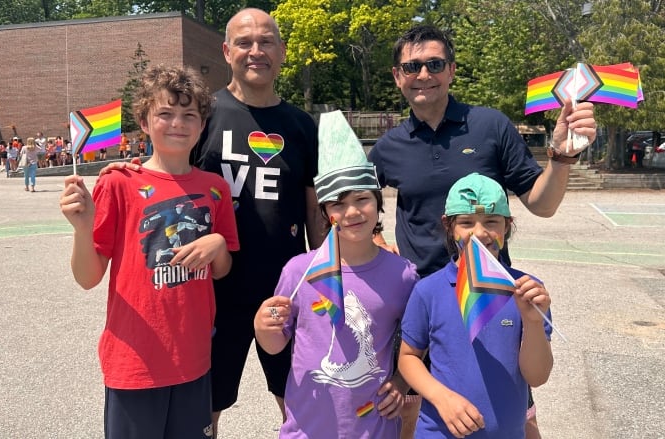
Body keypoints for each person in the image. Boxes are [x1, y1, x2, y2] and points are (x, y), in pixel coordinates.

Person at [98, 8, 324, 437]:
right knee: (205, 410)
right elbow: (170, 169)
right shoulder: (204, 115)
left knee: (297, 400)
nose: (256, 51)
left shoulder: (300, 125)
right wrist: (131, 172)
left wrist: (325, 269)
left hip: (284, 288)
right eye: (244, 42)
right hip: (214, 289)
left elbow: (313, 206)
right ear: (226, 50)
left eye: (266, 41)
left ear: (282, 50)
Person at [368, 25, 596, 438]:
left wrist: (561, 157)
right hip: (425, 295)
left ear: (451, 70)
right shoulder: (389, 147)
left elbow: (541, 204)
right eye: (412, 66)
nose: (423, 74)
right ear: (397, 76)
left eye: (434, 64)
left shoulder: (490, 126)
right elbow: (356, 206)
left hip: (491, 296)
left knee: (514, 412)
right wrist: (377, 241)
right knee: (414, 408)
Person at [58, 64, 239, 439]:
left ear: (202, 124)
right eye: (165, 113)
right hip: (134, 364)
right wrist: (82, 229)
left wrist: (218, 244)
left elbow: (221, 270)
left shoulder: (215, 188)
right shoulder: (118, 182)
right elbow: (87, 278)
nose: (178, 123)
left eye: (189, 115)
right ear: (144, 121)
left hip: (194, 361)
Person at [253, 111, 419, 438]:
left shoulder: (403, 275)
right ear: (327, 212)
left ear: (378, 203)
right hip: (307, 428)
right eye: (339, 204)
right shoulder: (300, 270)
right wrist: (262, 326)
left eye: (362, 199)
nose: (352, 212)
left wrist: (400, 380)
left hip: (373, 427)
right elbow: (274, 344)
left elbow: (417, 340)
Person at [397, 172, 553, 438]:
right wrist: (441, 398)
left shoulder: (526, 291)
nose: (480, 233)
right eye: (466, 222)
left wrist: (533, 321)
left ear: (507, 226)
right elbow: (409, 357)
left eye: (491, 221)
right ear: (449, 226)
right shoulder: (429, 291)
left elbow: (537, 376)